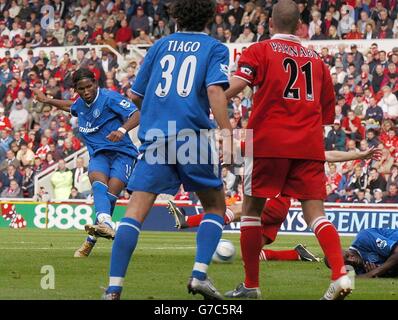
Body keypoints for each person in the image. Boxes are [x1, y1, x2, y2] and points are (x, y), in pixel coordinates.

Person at [102, 0, 232, 300]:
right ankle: (199, 275)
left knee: (134, 213)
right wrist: (226, 132)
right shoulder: (215, 48)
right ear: (209, 17)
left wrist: (141, 117)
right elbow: (214, 90)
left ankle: (113, 288)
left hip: (156, 139)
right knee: (214, 207)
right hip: (193, 138)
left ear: (175, 16)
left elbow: (135, 96)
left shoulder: (159, 47)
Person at [222, 0, 352, 300]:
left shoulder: (259, 50)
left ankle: (251, 286)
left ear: (270, 23)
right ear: (299, 26)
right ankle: (340, 275)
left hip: (268, 141)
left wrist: (208, 96)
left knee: (252, 211)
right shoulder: (317, 61)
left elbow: (235, 87)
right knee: (316, 214)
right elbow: (326, 114)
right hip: (308, 144)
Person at [168, 148, 382, 261]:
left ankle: (186, 221)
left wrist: (359, 154)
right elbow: (329, 155)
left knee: (234, 211)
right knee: (254, 255)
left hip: (273, 200)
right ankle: (296, 254)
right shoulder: (301, 150)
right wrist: (359, 155)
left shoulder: (278, 146)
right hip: (281, 206)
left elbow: (248, 149)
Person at [33, 68, 140, 258]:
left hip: (122, 153)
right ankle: (106, 224)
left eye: (89, 86)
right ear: (76, 89)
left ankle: (91, 240)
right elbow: (71, 106)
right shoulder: (80, 104)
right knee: (98, 187)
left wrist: (122, 130)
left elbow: (136, 114)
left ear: (95, 83)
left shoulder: (109, 98)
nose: (86, 91)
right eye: (81, 89)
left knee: (110, 195)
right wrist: (47, 100)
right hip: (99, 154)